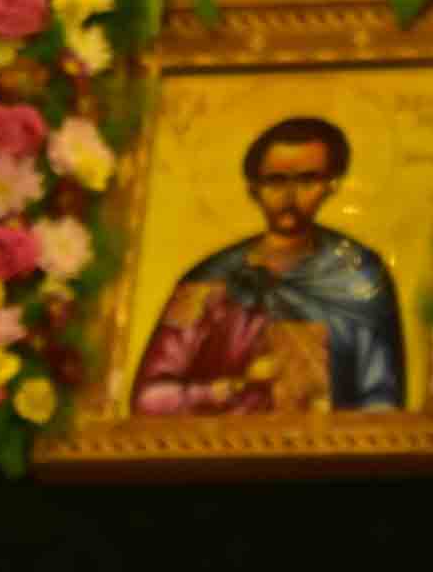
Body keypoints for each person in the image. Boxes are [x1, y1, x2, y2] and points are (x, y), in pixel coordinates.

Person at [132, 116, 404, 415]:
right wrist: (226, 390)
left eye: (307, 180)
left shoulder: (358, 277)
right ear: (254, 188)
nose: (290, 196)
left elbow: (383, 399)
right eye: (275, 181)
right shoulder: (208, 281)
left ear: (331, 184)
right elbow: (149, 397)